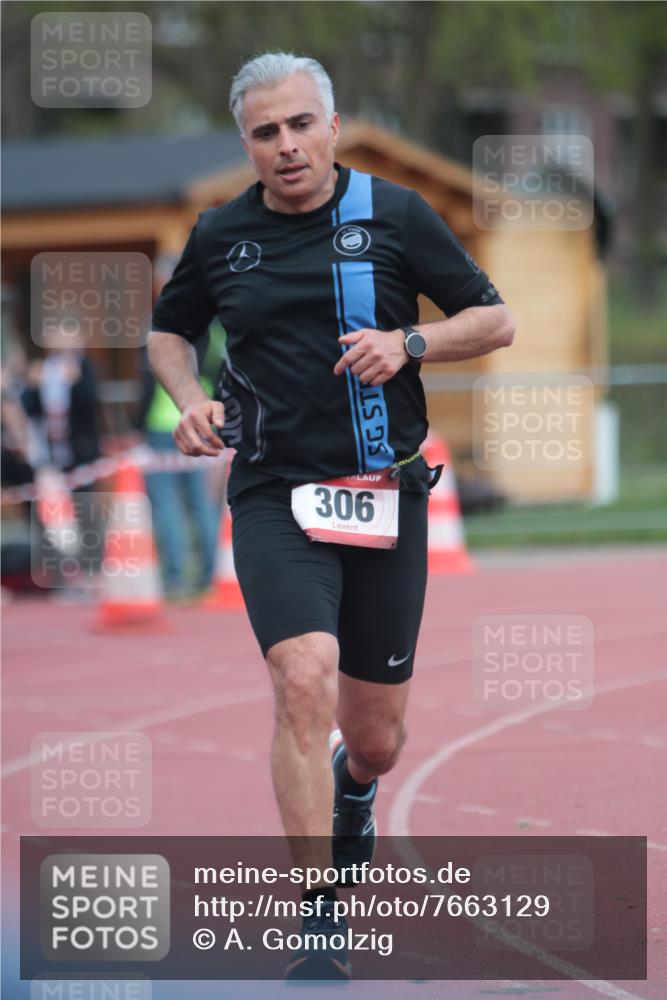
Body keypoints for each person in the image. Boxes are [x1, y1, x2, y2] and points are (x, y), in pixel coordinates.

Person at [148, 52, 514, 979]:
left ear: (332, 125)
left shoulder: (391, 215)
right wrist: (189, 396)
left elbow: (493, 318)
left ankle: (355, 784)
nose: (286, 146)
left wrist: (409, 341)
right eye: (266, 132)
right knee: (300, 676)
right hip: (274, 493)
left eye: (300, 124)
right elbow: (167, 330)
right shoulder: (221, 233)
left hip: (385, 491)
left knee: (379, 737)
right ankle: (319, 921)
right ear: (247, 143)